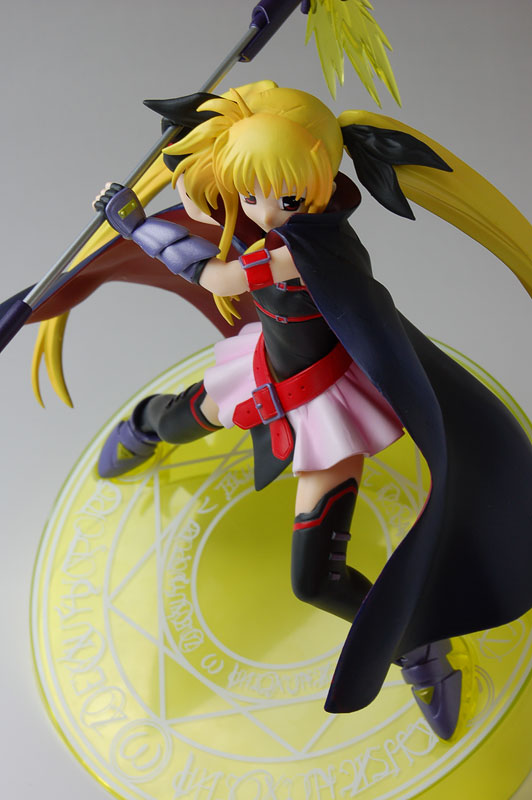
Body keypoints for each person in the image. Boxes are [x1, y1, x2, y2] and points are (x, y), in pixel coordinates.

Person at [88, 81, 532, 740]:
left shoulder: (307, 251)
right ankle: (142, 426)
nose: (265, 212)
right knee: (176, 417)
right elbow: (209, 195)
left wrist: (134, 226)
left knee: (315, 580)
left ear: (321, 183)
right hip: (263, 372)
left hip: (326, 405)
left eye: (287, 198)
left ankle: (418, 642)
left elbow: (213, 276)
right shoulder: (276, 225)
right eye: (251, 195)